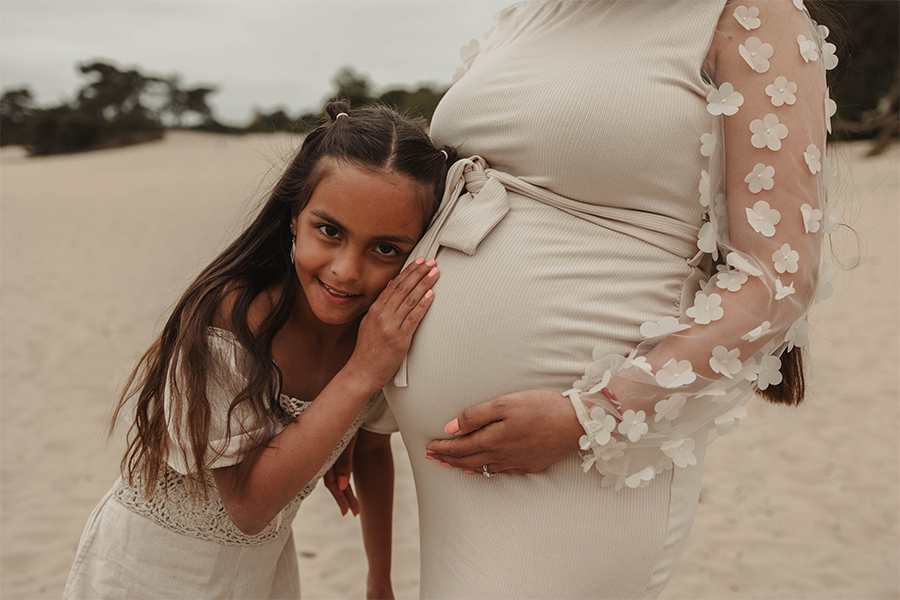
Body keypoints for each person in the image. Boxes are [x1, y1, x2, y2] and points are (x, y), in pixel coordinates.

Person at [352, 0, 837, 597]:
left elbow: (776, 279)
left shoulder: (750, 14)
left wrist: (589, 416)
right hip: (449, 467)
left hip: (580, 463)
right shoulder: (534, 13)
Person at [63, 101, 455, 600]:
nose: (346, 271)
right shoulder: (232, 318)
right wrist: (359, 375)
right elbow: (247, 507)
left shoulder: (377, 330)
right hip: (150, 570)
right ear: (295, 217)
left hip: (258, 574)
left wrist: (379, 579)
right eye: (329, 231)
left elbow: (373, 449)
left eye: (386, 249)